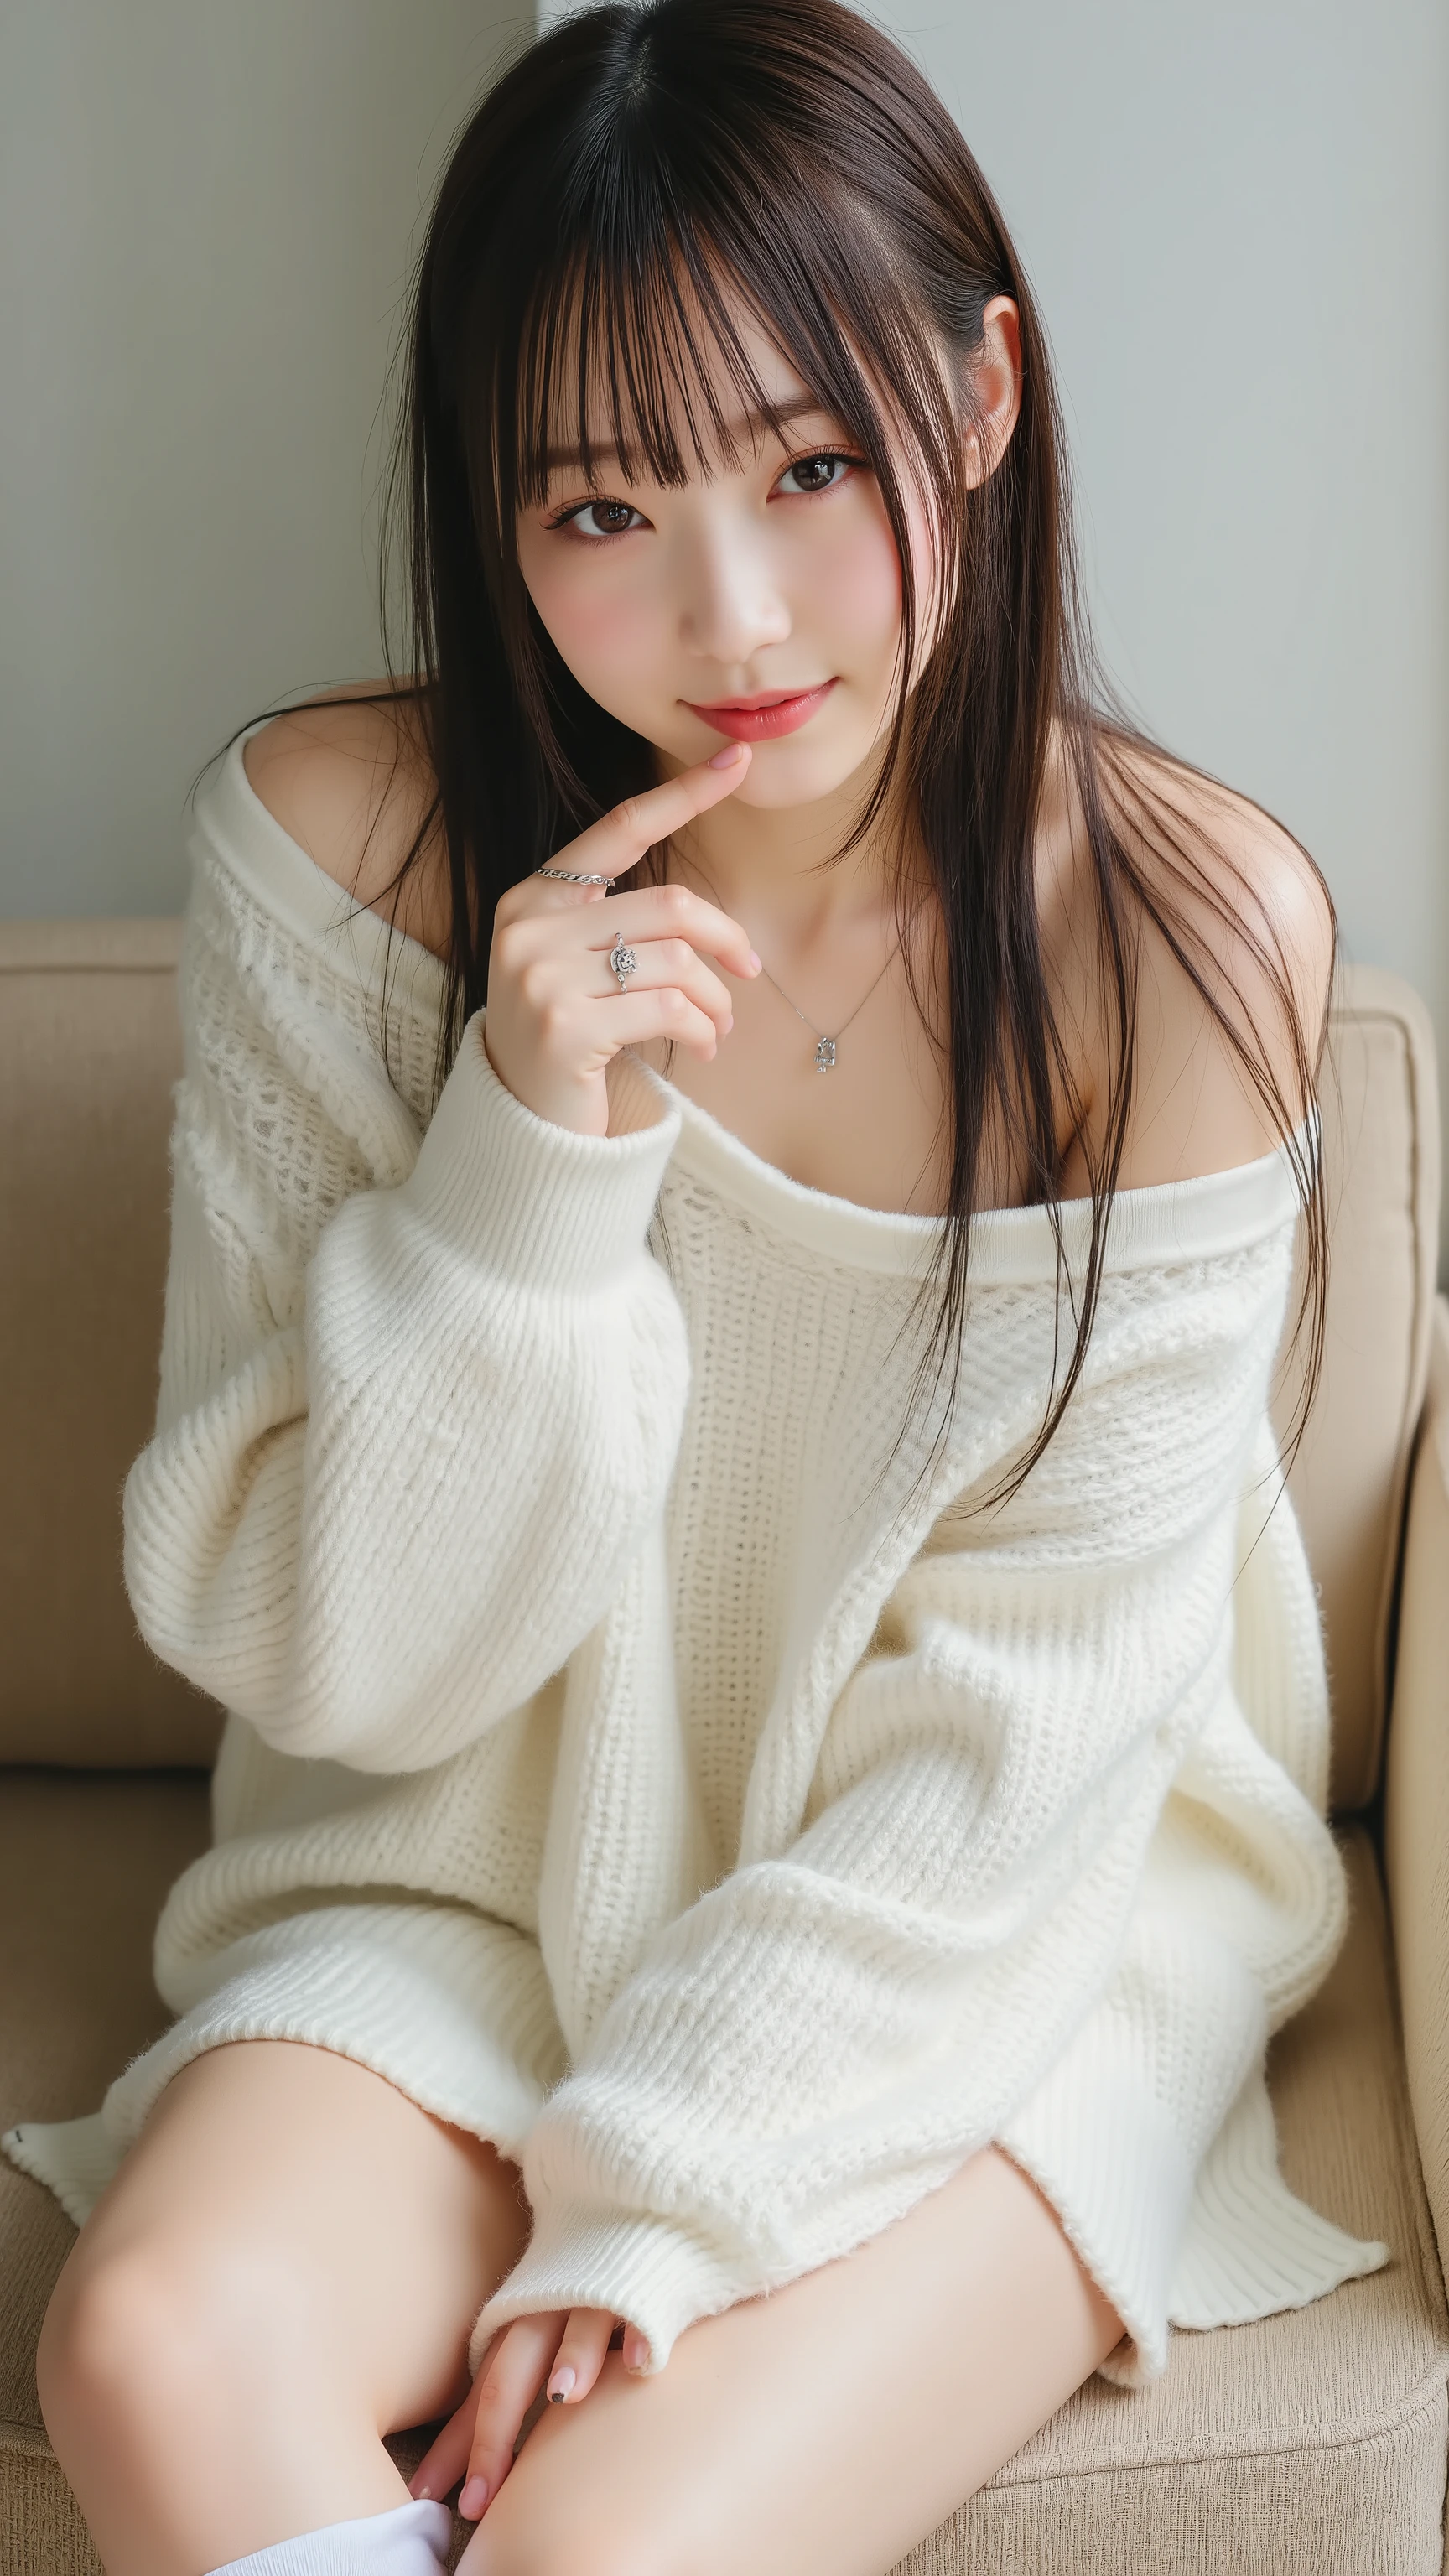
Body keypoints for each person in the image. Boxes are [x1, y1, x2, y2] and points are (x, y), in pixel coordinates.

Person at [9, 3, 1389, 2571]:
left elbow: (1030, 1746)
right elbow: (340, 1668)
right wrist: (529, 1169)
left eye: (812, 463)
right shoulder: (335, 854)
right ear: (485, 503)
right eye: (602, 509)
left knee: (589, 2549)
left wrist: (667, 2185)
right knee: (152, 2349)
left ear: (981, 401)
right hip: (463, 1872)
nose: (727, 615)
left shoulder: (1194, 950)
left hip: (987, 1940)